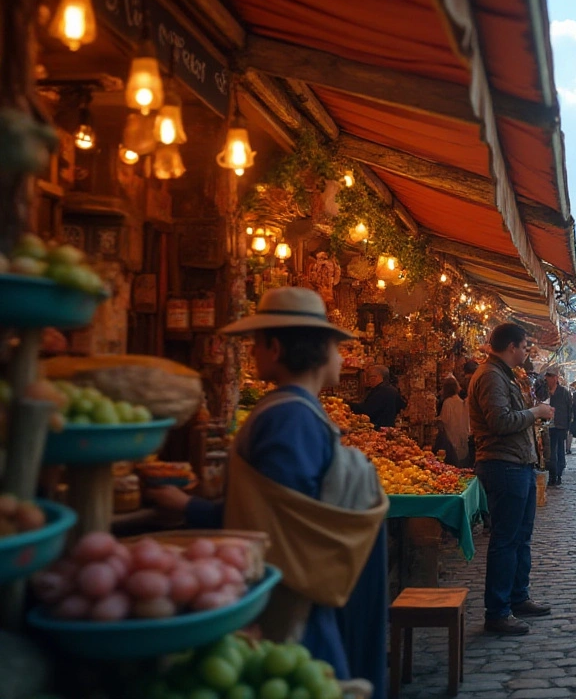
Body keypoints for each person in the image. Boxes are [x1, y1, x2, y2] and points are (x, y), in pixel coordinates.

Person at [146, 287, 388, 696]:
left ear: (274, 347)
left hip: (292, 602)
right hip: (303, 592)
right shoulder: (297, 415)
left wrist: (188, 506)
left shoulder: (287, 417)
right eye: (336, 347)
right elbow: (280, 511)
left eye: (256, 345)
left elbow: (274, 525)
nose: (253, 353)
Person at [469, 323, 555, 635]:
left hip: (517, 464)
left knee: (520, 536)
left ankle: (517, 598)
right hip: (503, 464)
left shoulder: (502, 374)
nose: (526, 352)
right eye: (524, 346)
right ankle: (498, 610)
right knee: (506, 539)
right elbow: (500, 421)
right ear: (510, 347)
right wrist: (536, 412)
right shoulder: (491, 375)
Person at [351, 365, 406, 429]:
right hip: (389, 428)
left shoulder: (381, 391)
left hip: (378, 428)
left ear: (377, 377)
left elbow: (367, 410)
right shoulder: (393, 390)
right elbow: (400, 407)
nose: (368, 381)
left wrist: (349, 405)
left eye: (369, 377)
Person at [543, 370, 572, 485]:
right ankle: (552, 475)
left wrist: (568, 426)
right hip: (547, 426)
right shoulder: (544, 392)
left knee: (559, 451)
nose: (547, 379)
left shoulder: (564, 392)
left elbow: (570, 409)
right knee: (549, 452)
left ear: (555, 378)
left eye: (549, 377)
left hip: (560, 426)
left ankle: (558, 474)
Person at [438, 376, 471, 467]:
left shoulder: (447, 403)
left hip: (451, 438)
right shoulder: (462, 403)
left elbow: (444, 421)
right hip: (462, 437)